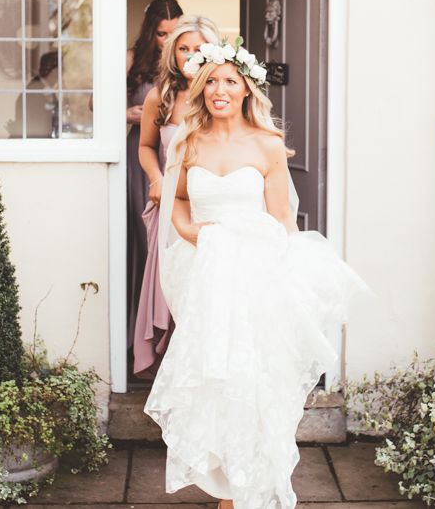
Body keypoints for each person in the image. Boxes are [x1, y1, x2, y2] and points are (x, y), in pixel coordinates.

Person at [144, 40, 368, 509]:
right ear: (200, 88)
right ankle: (229, 489)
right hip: (206, 279)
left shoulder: (267, 145)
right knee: (216, 384)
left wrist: (292, 284)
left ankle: (248, 490)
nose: (220, 90)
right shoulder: (187, 142)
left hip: (256, 281)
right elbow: (178, 200)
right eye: (212, 82)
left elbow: (282, 222)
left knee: (256, 383)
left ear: (247, 89)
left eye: (230, 81)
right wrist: (192, 233)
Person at [133, 15, 221, 379]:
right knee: (170, 286)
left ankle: (202, 367)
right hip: (169, 204)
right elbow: (145, 147)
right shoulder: (161, 96)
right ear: (171, 52)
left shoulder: (221, 93)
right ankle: (170, 370)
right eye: (182, 48)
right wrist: (155, 177)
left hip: (210, 205)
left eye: (198, 49)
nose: (189, 55)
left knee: (207, 288)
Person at [126, 0, 182, 352]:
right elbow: (94, 104)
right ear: (151, 32)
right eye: (162, 34)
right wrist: (130, 114)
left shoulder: (187, 65)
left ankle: (170, 336)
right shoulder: (133, 59)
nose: (168, 41)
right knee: (146, 240)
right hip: (143, 156)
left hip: (178, 154)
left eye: (174, 33)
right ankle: (145, 336)